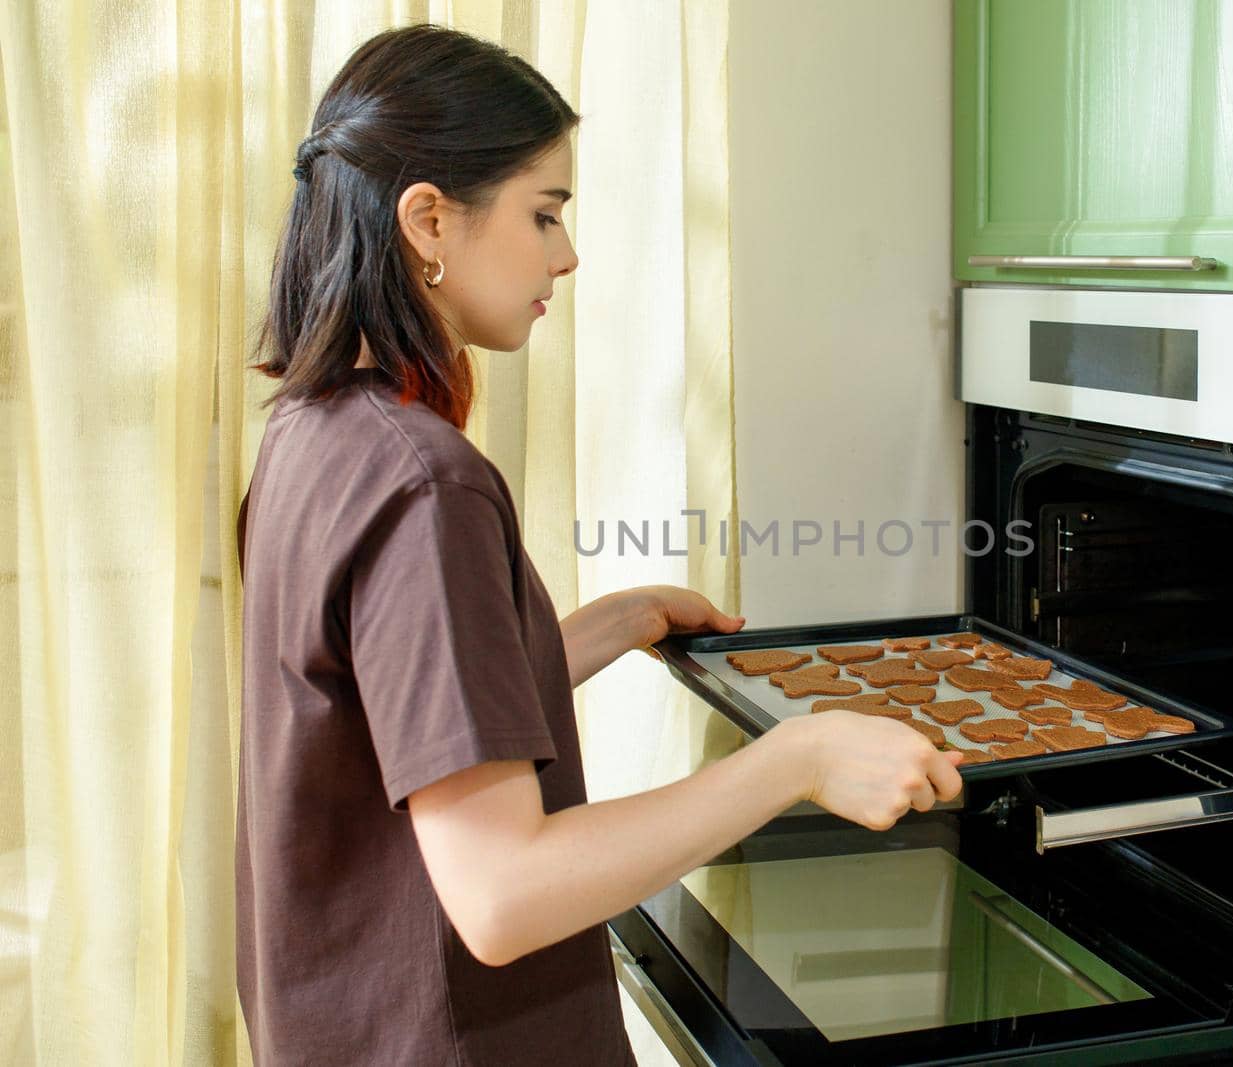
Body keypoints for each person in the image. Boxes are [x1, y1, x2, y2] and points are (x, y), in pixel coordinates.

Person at [235, 24, 964, 1066]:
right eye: (543, 214)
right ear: (429, 218)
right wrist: (796, 756)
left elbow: (383, 715)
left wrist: (595, 630)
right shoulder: (424, 480)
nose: (564, 256)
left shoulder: (315, 431)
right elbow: (502, 891)